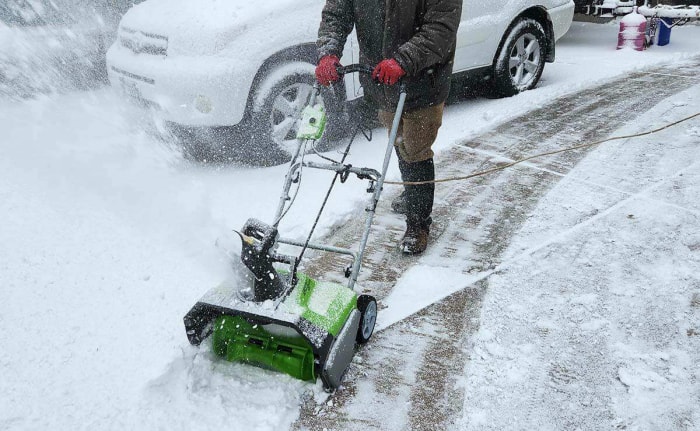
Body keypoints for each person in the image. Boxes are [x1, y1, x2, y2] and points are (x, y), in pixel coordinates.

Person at [315, 0, 461, 255]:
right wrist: (329, 52)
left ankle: (418, 224)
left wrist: (403, 60)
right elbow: (337, 13)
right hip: (381, 81)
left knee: (416, 147)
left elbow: (440, 29)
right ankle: (412, 192)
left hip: (423, 81)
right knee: (398, 138)